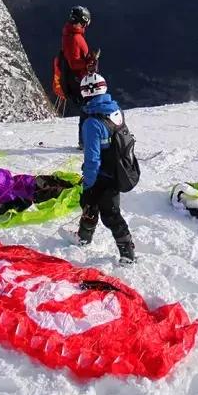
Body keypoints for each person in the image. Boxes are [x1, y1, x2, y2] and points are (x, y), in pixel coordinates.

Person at [72, 72, 136, 264]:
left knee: (107, 212)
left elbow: (92, 159)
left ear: (85, 93)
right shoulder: (115, 110)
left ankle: (127, 253)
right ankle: (84, 237)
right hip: (118, 169)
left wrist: (88, 183)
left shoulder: (92, 123)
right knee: (94, 205)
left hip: (103, 174)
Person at [61, 6, 97, 147]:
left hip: (76, 78)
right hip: (77, 80)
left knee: (86, 109)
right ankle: (85, 141)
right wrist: (89, 62)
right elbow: (74, 63)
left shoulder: (71, 34)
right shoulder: (75, 38)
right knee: (87, 109)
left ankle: (85, 140)